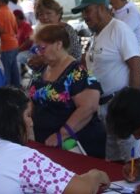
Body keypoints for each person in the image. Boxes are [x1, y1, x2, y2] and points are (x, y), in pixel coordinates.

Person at [0, 86, 110, 194]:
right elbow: (83, 189)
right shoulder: (24, 159)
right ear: (13, 119)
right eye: (28, 115)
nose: (31, 123)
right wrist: (96, 174)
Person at [72, 0, 140, 162]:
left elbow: (135, 65)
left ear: (102, 8)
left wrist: (132, 103)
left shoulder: (119, 29)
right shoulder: (96, 34)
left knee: (131, 158)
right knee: (113, 158)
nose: (84, 16)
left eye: (87, 11)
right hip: (103, 105)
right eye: (83, 13)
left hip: (120, 102)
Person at [29, 24, 106, 158]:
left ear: (58, 44)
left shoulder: (78, 72)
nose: (39, 52)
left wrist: (62, 134)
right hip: (45, 141)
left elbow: (89, 107)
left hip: (74, 143)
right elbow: (32, 98)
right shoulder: (42, 69)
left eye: (43, 48)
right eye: (37, 49)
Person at [0, 0, 20, 86]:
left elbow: (0, 29)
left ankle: (7, 92)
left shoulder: (0, 13)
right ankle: (17, 89)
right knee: (14, 71)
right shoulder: (10, 12)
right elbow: (16, 29)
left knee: (6, 72)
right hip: (14, 45)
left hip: (6, 46)